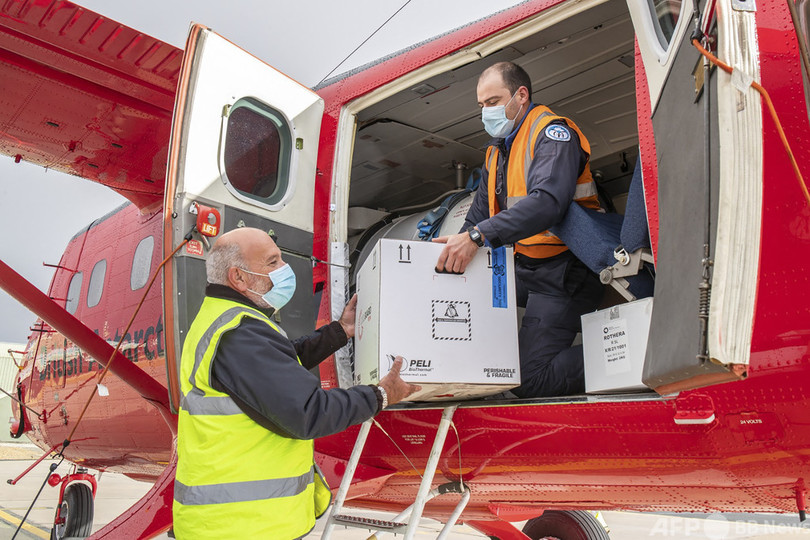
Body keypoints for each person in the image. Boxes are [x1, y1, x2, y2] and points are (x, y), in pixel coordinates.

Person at [173, 227, 419, 539]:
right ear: (239, 277)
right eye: (272, 262)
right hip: (245, 526)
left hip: (236, 522)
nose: (284, 270)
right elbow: (309, 412)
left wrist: (340, 330)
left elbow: (279, 366)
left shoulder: (226, 318)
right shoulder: (240, 334)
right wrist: (381, 395)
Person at [434, 61, 603, 398]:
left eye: (493, 102)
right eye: (481, 106)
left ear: (521, 95)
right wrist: (454, 247)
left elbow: (547, 204)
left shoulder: (554, 133)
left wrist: (477, 237)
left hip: (565, 273)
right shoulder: (497, 151)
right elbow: (478, 216)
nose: (486, 113)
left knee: (529, 380)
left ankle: (630, 350)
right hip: (527, 269)